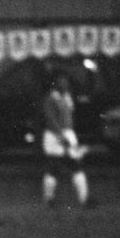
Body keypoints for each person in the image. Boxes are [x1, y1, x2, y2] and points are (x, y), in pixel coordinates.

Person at [41, 70, 93, 208]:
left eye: (66, 80)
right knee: (59, 166)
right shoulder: (51, 98)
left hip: (67, 134)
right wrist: (61, 135)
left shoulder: (67, 96)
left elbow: (69, 117)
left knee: (68, 167)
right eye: (61, 81)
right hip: (55, 136)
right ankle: (51, 199)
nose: (64, 83)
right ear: (55, 83)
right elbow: (50, 119)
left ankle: (81, 200)